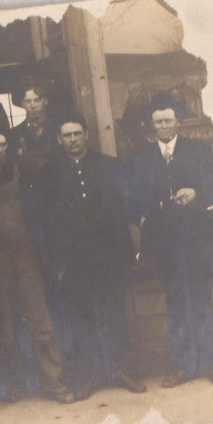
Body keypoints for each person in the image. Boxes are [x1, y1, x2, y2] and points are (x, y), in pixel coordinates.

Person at [129, 95, 213, 387]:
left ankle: (211, 362)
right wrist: (146, 216)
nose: (163, 126)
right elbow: (134, 196)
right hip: (165, 240)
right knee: (174, 299)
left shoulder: (198, 150)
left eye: (168, 120)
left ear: (178, 122)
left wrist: (197, 193)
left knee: (200, 297)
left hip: (198, 235)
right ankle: (182, 365)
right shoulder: (143, 158)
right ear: (152, 125)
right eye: (158, 121)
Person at [43, 116, 147, 400]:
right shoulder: (51, 174)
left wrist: (124, 252)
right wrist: (59, 259)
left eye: (77, 133)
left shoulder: (108, 166)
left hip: (108, 254)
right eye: (67, 135)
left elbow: (123, 210)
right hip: (75, 258)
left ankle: (123, 371)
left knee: (114, 313)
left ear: (86, 135)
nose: (73, 139)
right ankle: (90, 375)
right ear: (59, 140)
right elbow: (49, 220)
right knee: (82, 318)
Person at [0, 129, 74, 404]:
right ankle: (15, 383)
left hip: (26, 257)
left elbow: (38, 211)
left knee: (41, 321)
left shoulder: (20, 174)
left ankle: (53, 381)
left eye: (3, 145)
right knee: (6, 326)